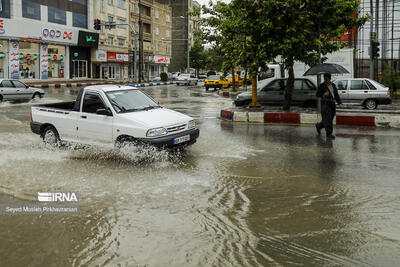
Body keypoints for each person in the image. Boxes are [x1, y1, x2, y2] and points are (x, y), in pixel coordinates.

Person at [316, 73, 343, 139]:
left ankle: (319, 126)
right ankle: (329, 134)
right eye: (324, 79)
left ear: (330, 79)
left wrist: (339, 102)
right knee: (327, 119)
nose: (325, 80)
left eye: (327, 79)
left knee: (329, 119)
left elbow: (336, 95)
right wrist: (324, 94)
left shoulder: (333, 85)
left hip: (332, 104)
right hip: (325, 104)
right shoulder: (322, 86)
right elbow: (317, 94)